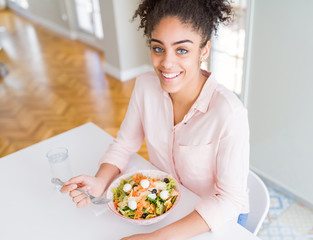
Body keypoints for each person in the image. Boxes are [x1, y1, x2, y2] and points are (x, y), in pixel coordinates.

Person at [61, 0, 250, 239]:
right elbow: (124, 145)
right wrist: (100, 181)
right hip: (171, 208)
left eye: (182, 50)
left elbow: (230, 200)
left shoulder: (229, 113)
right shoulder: (145, 86)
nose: (166, 63)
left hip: (218, 220)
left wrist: (155, 238)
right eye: (158, 48)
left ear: (204, 50)